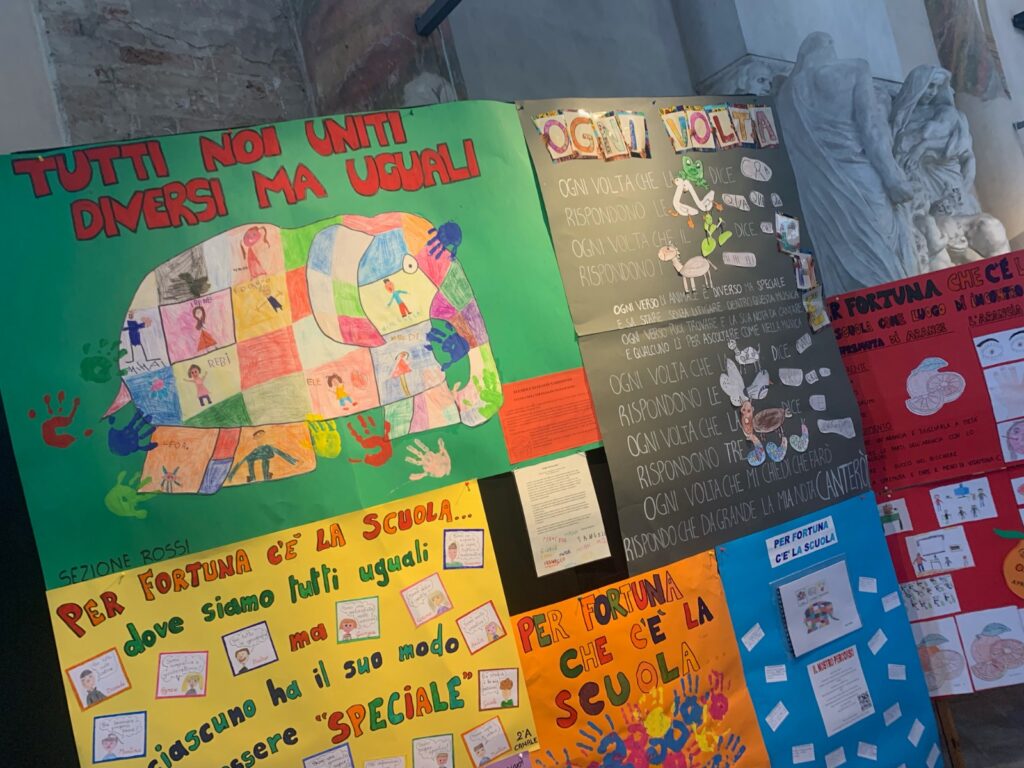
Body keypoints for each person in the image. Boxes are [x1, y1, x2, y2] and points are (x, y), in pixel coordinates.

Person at [775, 32, 916, 294]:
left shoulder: (786, 95)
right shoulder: (854, 69)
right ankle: (896, 310)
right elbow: (871, 130)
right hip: (860, 177)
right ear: (829, 46)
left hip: (819, 189)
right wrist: (893, 179)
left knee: (839, 257)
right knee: (882, 253)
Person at [227, 430, 298, 482]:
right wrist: (231, 474)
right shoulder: (254, 450)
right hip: (258, 452)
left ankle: (265, 476)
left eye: (260, 434)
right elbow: (242, 460)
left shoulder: (268, 446)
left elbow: (280, 452)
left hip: (265, 452)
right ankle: (252, 478)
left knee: (264, 459)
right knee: (249, 459)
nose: (259, 436)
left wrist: (293, 460)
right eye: (257, 435)